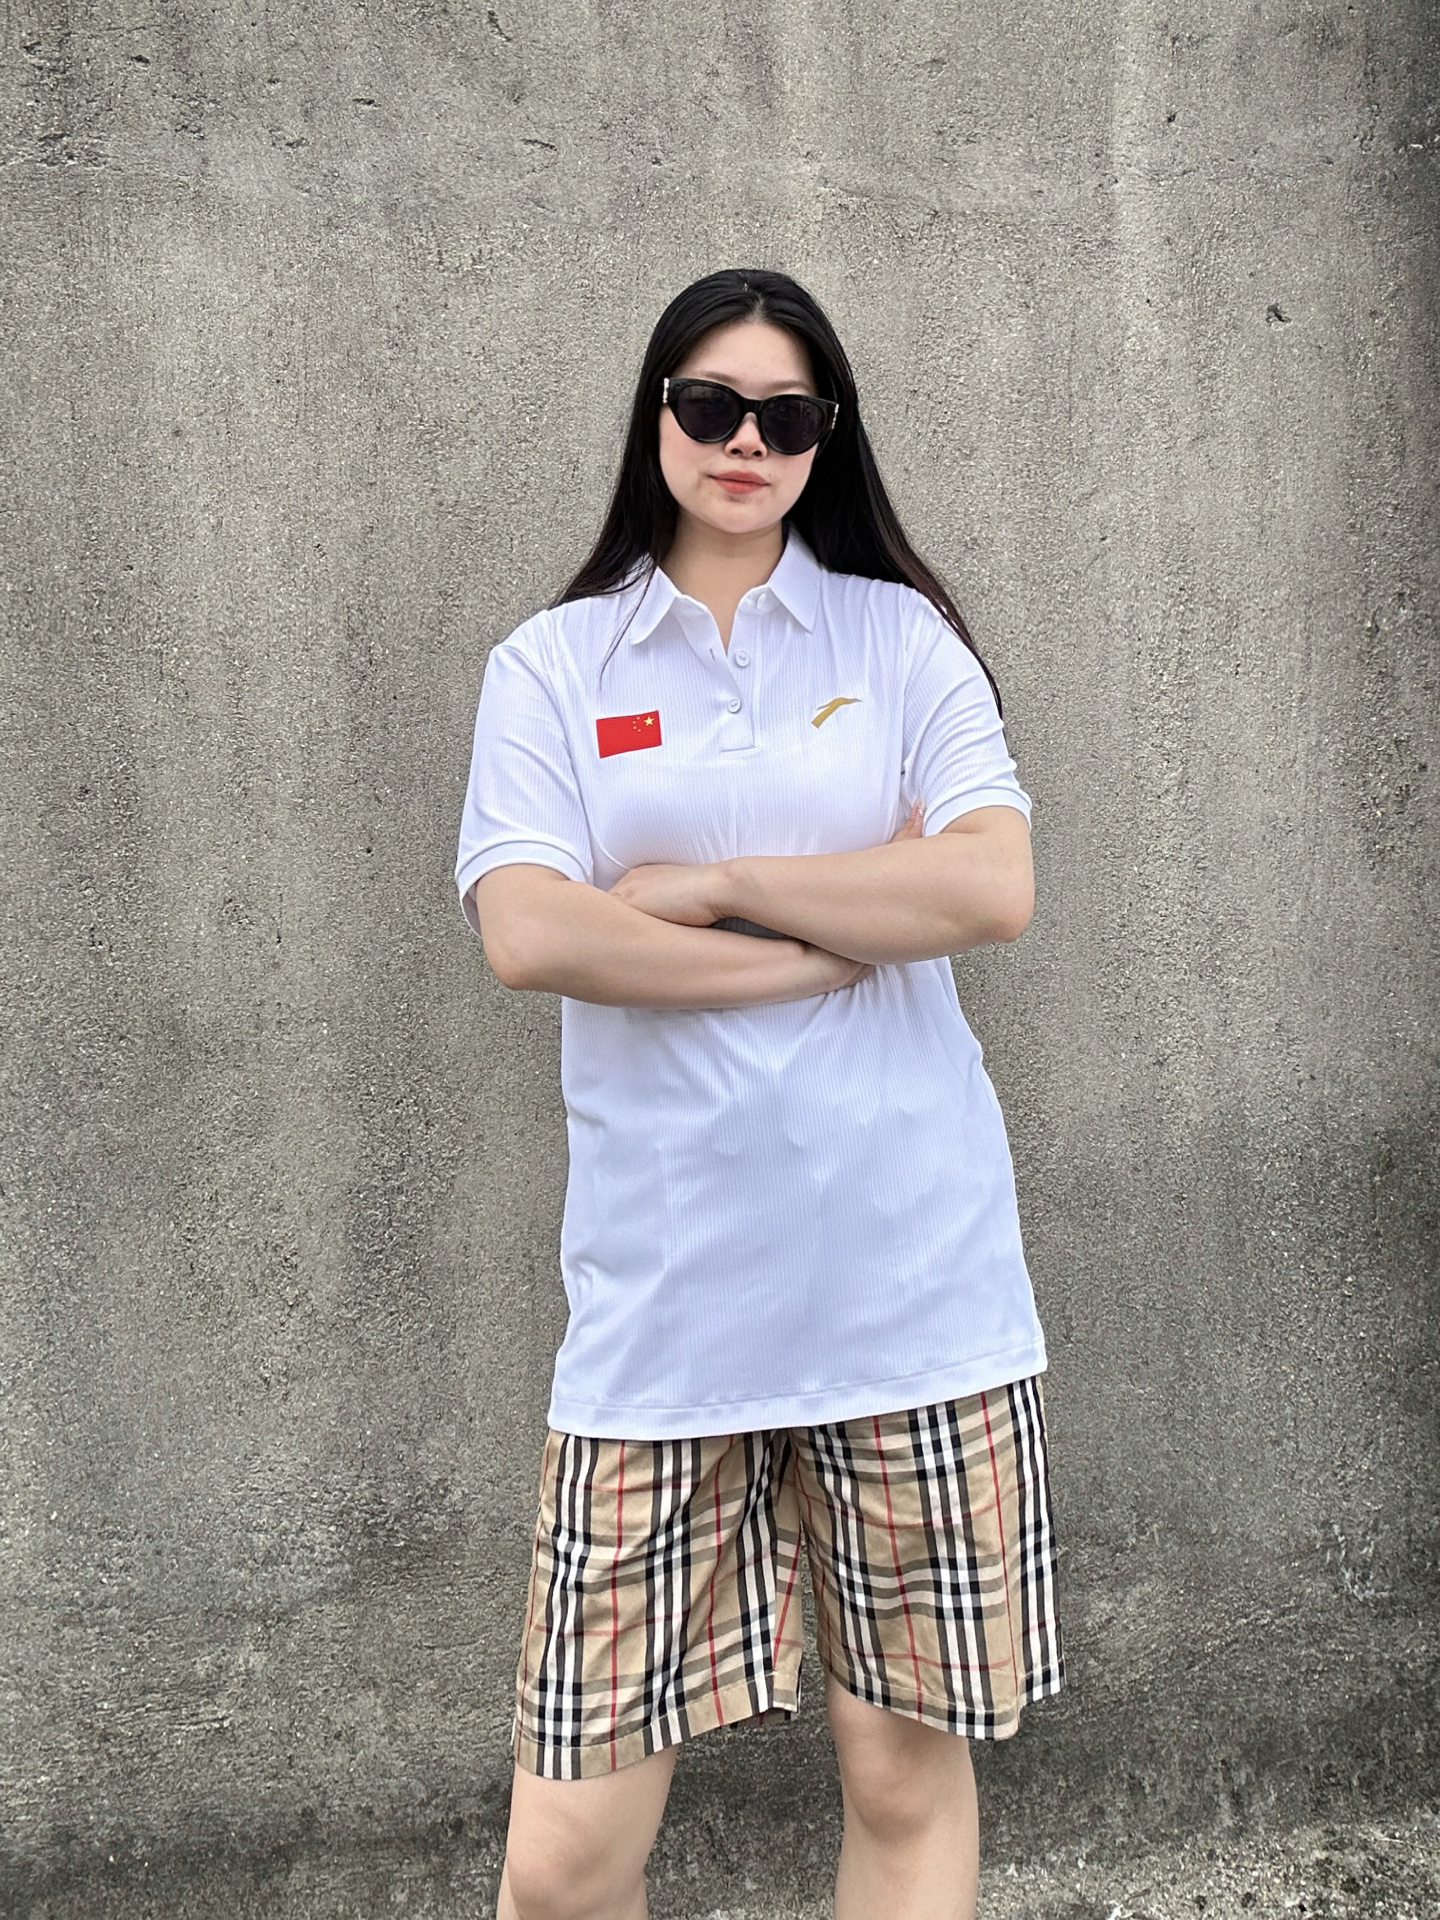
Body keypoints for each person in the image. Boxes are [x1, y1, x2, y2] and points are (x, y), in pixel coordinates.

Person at [455, 267, 1063, 1920]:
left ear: (825, 439)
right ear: (656, 413)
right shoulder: (556, 664)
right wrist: (819, 947)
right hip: (664, 1319)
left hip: (913, 1298)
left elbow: (989, 884)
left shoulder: (898, 636)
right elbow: (530, 930)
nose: (745, 442)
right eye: (711, 404)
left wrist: (717, 885)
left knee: (902, 1778)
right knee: (563, 1858)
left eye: (785, 417)